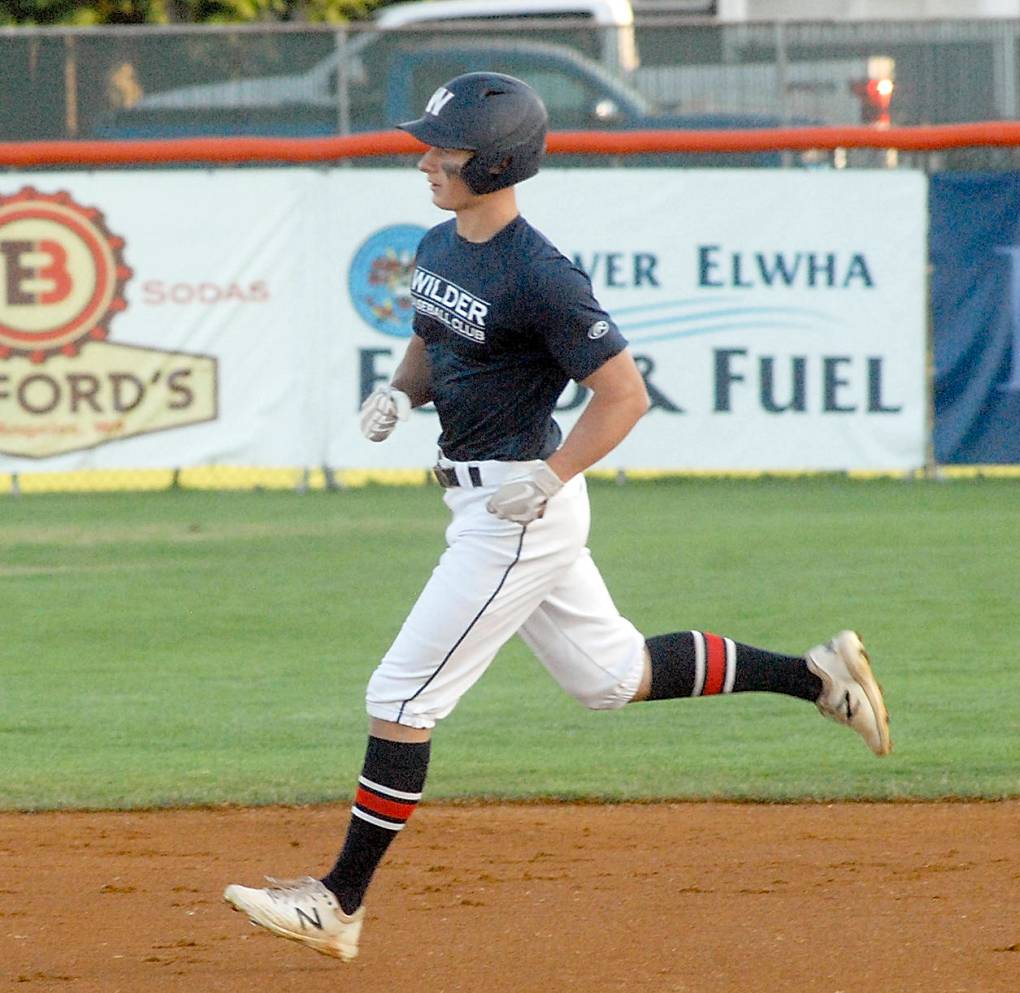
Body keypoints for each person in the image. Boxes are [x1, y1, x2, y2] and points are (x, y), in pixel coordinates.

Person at [223, 72, 891, 963]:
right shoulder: (437, 241)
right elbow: (433, 335)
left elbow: (624, 395)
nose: (425, 159)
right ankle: (814, 677)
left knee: (399, 696)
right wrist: (396, 391)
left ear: (494, 163)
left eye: (444, 148)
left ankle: (339, 902)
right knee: (610, 675)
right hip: (484, 500)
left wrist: (551, 472)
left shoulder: (543, 274)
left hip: (517, 513)